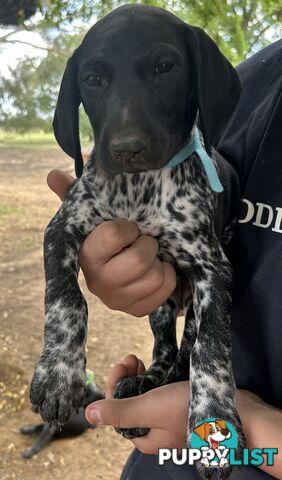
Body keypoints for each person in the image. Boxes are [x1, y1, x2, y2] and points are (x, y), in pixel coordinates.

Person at [47, 40, 282, 479]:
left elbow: (210, 266)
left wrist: (242, 423)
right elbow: (192, 246)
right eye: (95, 79)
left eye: (162, 68)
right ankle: (164, 361)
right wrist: (135, 274)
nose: (128, 137)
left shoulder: (216, 72)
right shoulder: (256, 78)